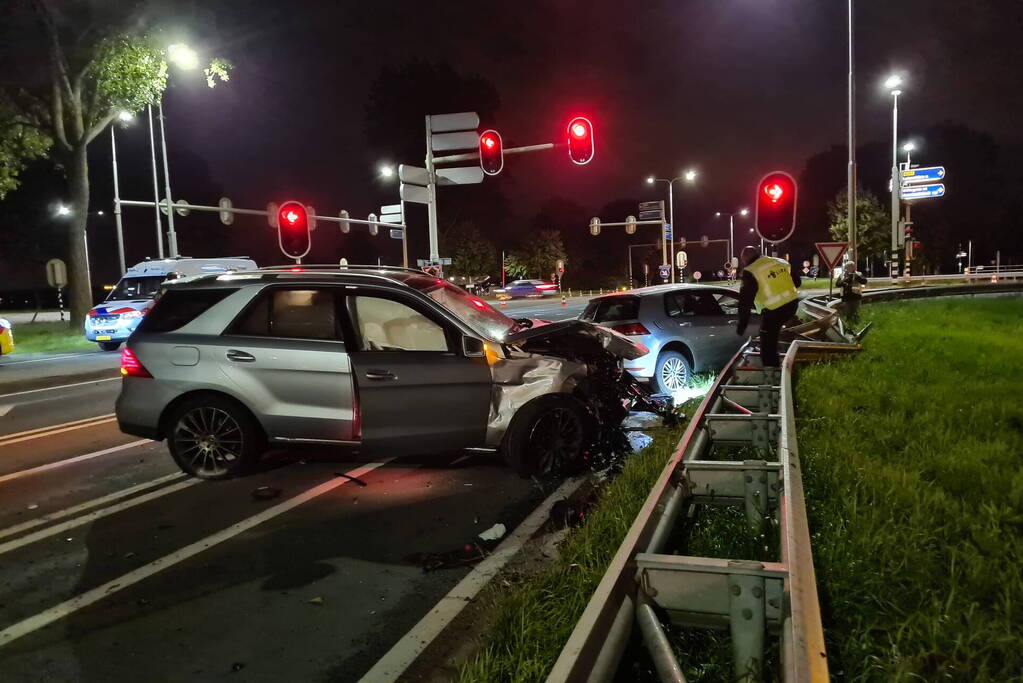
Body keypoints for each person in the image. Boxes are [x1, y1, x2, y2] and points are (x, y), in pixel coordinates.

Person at [736, 245, 801, 367]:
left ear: (744, 259)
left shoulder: (751, 271)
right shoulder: (778, 262)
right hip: (793, 304)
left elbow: (745, 301)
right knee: (773, 332)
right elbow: (797, 282)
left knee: (766, 339)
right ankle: (783, 358)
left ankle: (772, 371)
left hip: (775, 309)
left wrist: (742, 325)